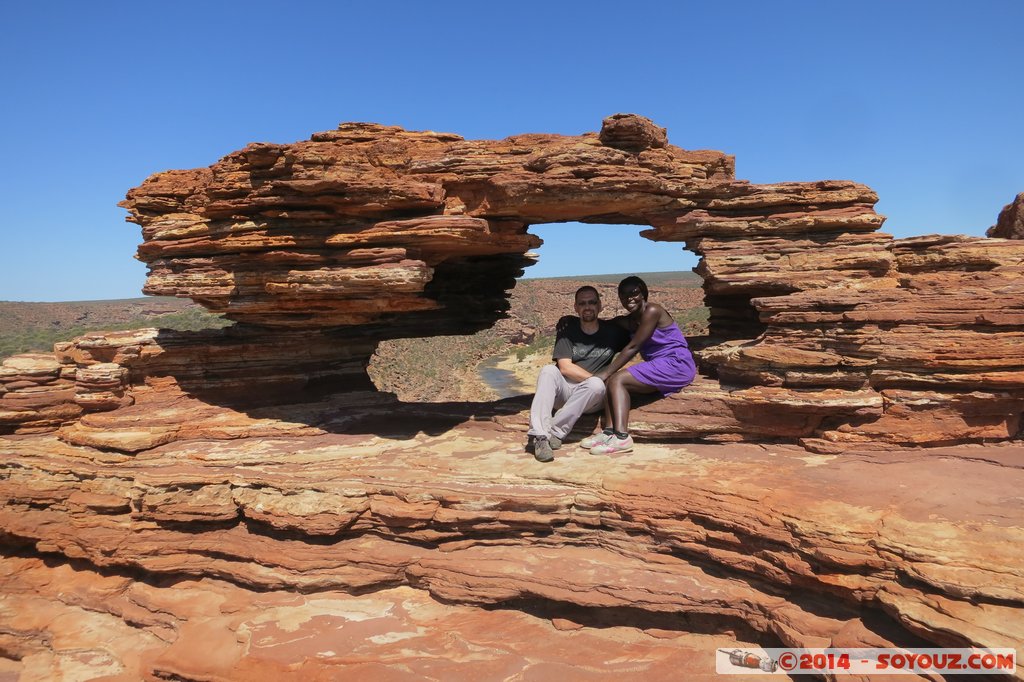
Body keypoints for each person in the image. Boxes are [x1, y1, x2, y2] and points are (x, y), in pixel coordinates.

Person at [586, 275, 697, 454]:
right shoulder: (630, 321)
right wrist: (572, 322)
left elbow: (634, 346)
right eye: (623, 295)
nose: (629, 298)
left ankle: (622, 438)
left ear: (643, 293)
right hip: (660, 365)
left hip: (677, 363)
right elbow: (607, 323)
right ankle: (608, 433)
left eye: (634, 293)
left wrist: (606, 372)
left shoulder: (653, 310)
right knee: (611, 381)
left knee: (617, 379)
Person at [527, 285, 629, 463]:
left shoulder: (613, 332)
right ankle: (541, 437)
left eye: (592, 302)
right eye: (582, 303)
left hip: (592, 396)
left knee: (596, 385)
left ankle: (556, 432)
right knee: (548, 371)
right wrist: (595, 379)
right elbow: (565, 367)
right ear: (576, 307)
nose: (587, 307)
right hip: (566, 391)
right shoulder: (568, 330)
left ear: (600, 306)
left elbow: (638, 339)